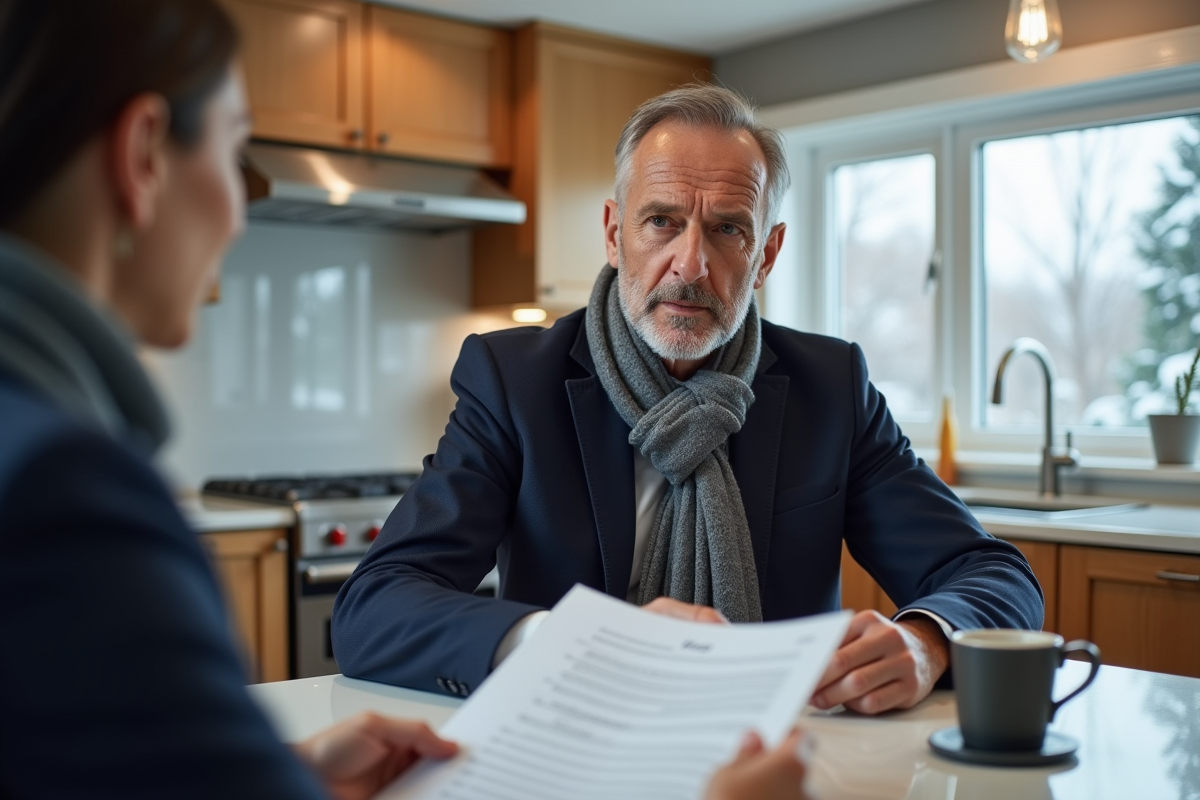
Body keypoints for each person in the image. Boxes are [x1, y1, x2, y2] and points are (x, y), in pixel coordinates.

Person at [0, 2, 811, 798]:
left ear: (767, 250)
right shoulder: (63, 490)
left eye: (729, 231)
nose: (239, 207)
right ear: (144, 154)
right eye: (236, 152)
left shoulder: (43, 456)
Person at [332, 84, 1043, 716]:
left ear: (766, 253)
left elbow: (990, 575)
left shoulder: (832, 387)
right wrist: (571, 643)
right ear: (614, 233)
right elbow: (374, 607)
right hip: (571, 750)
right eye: (662, 221)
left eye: (729, 228)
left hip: (783, 759)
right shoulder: (514, 380)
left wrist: (925, 642)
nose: (691, 264)